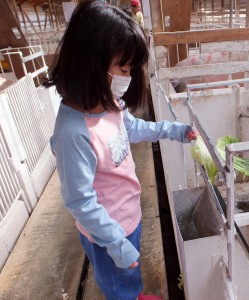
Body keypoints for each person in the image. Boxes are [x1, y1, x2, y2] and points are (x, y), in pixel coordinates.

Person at [45, 1, 198, 299]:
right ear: (89, 61)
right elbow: (79, 200)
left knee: (129, 270)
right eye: (123, 68)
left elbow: (133, 128)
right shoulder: (73, 132)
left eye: (130, 69)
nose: (127, 78)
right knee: (117, 282)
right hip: (106, 232)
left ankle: (135, 293)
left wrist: (172, 130)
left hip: (129, 215)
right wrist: (114, 241)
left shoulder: (109, 104)